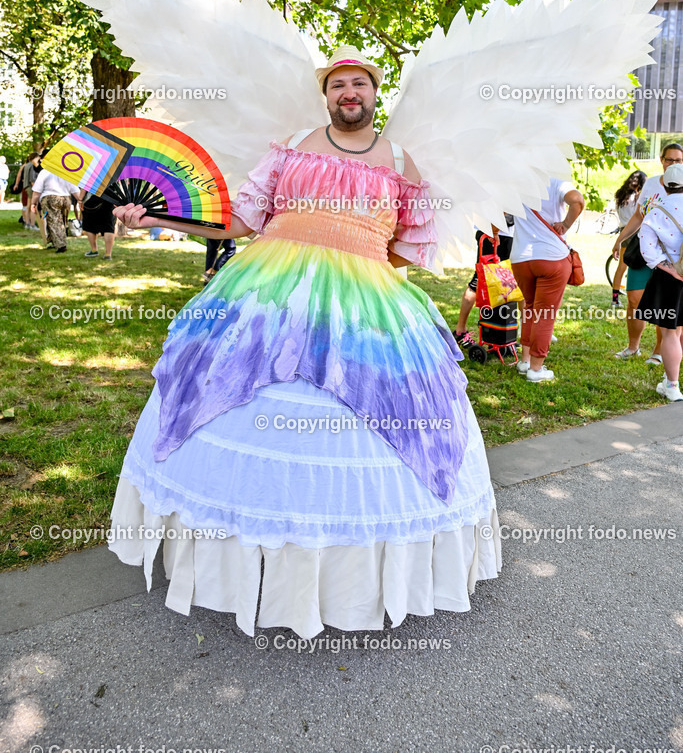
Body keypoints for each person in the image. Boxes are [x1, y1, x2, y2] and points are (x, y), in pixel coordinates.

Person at [108, 46, 500, 638]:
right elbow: (239, 221)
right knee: (218, 388)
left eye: (360, 83)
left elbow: (404, 248)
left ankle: (342, 579)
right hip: (267, 285)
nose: (350, 92)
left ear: (375, 93)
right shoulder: (294, 142)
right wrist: (160, 220)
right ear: (326, 95)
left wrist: (357, 260)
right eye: (339, 83)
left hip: (366, 294)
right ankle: (244, 560)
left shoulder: (403, 162)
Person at [611, 144, 683, 362]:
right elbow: (638, 216)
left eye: (678, 160)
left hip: (672, 258)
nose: (673, 164)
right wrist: (619, 239)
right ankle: (633, 347)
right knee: (633, 298)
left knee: (667, 305)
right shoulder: (651, 183)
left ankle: (659, 351)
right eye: (669, 160)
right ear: (661, 160)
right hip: (644, 251)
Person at [510, 178, 585, 382]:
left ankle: (525, 361)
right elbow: (577, 200)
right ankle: (536, 369)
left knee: (530, 308)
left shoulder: (515, 181)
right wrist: (566, 224)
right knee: (544, 314)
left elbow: (500, 214)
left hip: (521, 258)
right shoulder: (556, 181)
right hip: (551, 256)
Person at [634, 163, 683, 402]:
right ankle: (670, 382)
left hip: (669, 281)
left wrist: (671, 270)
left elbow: (648, 251)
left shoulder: (655, 211)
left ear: (664, 184)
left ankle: (672, 386)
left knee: (670, 333)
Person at [453, 218, 514, 348]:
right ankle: (460, 331)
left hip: (504, 234)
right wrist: (495, 232)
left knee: (501, 285)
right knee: (479, 281)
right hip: (492, 233)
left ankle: (497, 337)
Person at [610, 170, 646, 306]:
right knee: (637, 266)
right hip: (635, 233)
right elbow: (638, 217)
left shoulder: (620, 196)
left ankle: (614, 299)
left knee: (621, 268)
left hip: (623, 232)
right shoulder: (637, 198)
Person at [30, 163, 80, 253]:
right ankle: (54, 241)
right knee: (62, 221)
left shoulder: (44, 172)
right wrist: (80, 200)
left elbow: (37, 190)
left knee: (53, 221)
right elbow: (75, 189)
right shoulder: (67, 173)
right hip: (66, 199)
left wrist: (33, 203)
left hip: (50, 198)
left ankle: (61, 245)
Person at [80, 191, 116, 259]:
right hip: (110, 198)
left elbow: (85, 186)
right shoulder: (112, 179)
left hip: (92, 198)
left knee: (90, 225)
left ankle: (94, 250)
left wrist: (80, 199)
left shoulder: (92, 179)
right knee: (108, 227)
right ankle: (108, 254)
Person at [22, 152, 41, 231]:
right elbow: (32, 178)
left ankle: (27, 223)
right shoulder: (32, 165)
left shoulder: (26, 165)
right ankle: (32, 224)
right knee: (33, 206)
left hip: (26, 186)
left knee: (28, 206)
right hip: (31, 187)